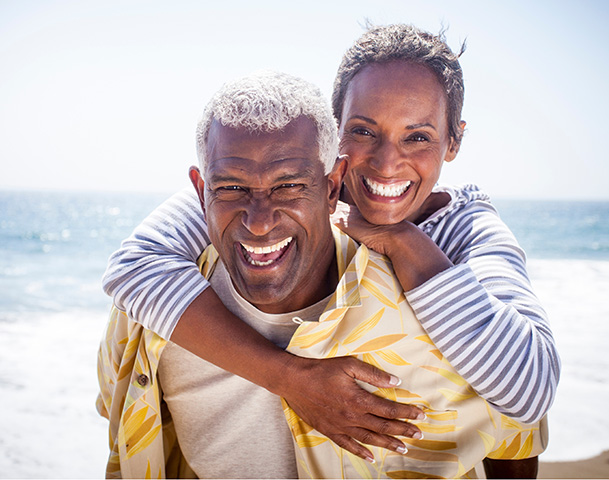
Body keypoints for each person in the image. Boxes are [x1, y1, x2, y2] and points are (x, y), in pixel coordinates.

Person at [103, 23, 559, 460]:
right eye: (363, 131)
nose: (386, 162)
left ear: (454, 141)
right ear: (334, 132)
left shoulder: (464, 229)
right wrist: (289, 378)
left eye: (417, 137)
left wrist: (403, 241)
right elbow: (134, 267)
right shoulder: (280, 189)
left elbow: (530, 389)